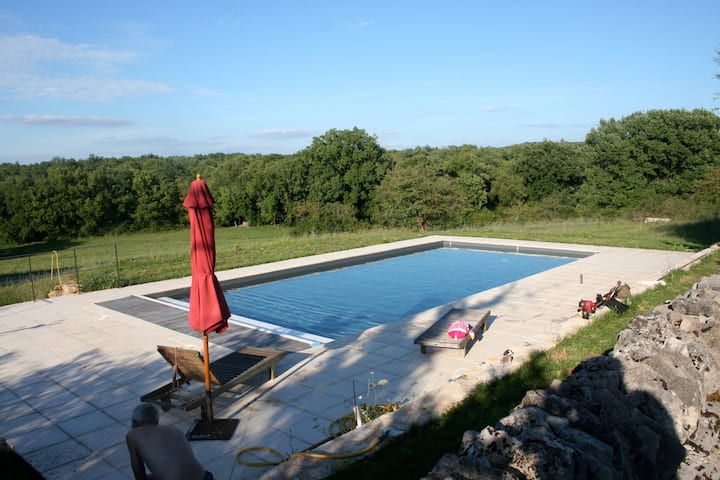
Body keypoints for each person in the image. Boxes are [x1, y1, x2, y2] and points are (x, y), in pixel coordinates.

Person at [126, 404, 213, 480]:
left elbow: (138, 469)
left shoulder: (133, 434)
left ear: (134, 422)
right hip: (204, 477)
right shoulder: (175, 430)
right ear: (156, 420)